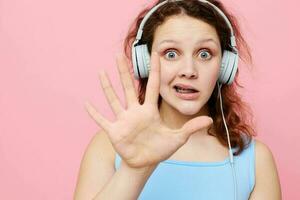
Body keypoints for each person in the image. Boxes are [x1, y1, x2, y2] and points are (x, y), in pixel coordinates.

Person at [74, 0, 282, 199]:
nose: (189, 71)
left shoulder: (256, 161)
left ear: (224, 66)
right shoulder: (108, 148)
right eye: (171, 54)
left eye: (204, 54)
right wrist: (134, 171)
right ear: (144, 62)